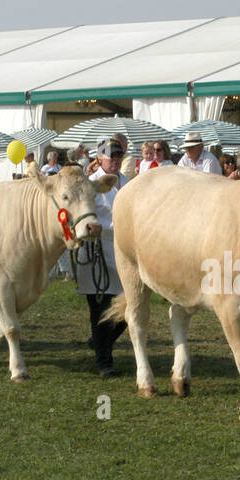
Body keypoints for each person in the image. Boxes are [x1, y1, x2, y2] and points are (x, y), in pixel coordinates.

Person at [78, 138, 130, 377]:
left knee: (129, 308)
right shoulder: (89, 185)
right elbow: (82, 216)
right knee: (100, 310)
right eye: (111, 156)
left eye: (119, 155)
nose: (116, 160)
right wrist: (94, 226)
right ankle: (104, 361)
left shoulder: (129, 184)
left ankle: (100, 342)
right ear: (99, 158)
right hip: (96, 253)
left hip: (123, 254)